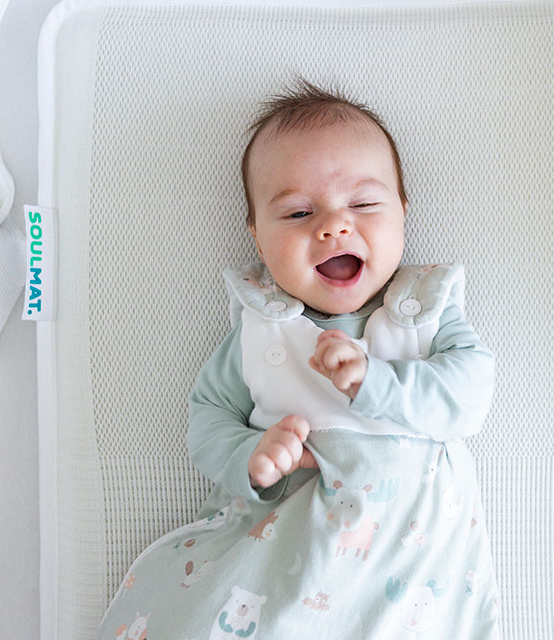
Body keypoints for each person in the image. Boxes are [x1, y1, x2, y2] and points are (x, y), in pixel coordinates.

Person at [98, 81, 499, 639]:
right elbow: (208, 418)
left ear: (403, 213)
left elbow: (470, 396)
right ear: (259, 240)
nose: (333, 225)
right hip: (288, 567)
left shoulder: (423, 313)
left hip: (407, 583)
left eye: (363, 204)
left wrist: (377, 382)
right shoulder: (263, 328)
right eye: (298, 212)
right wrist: (251, 457)